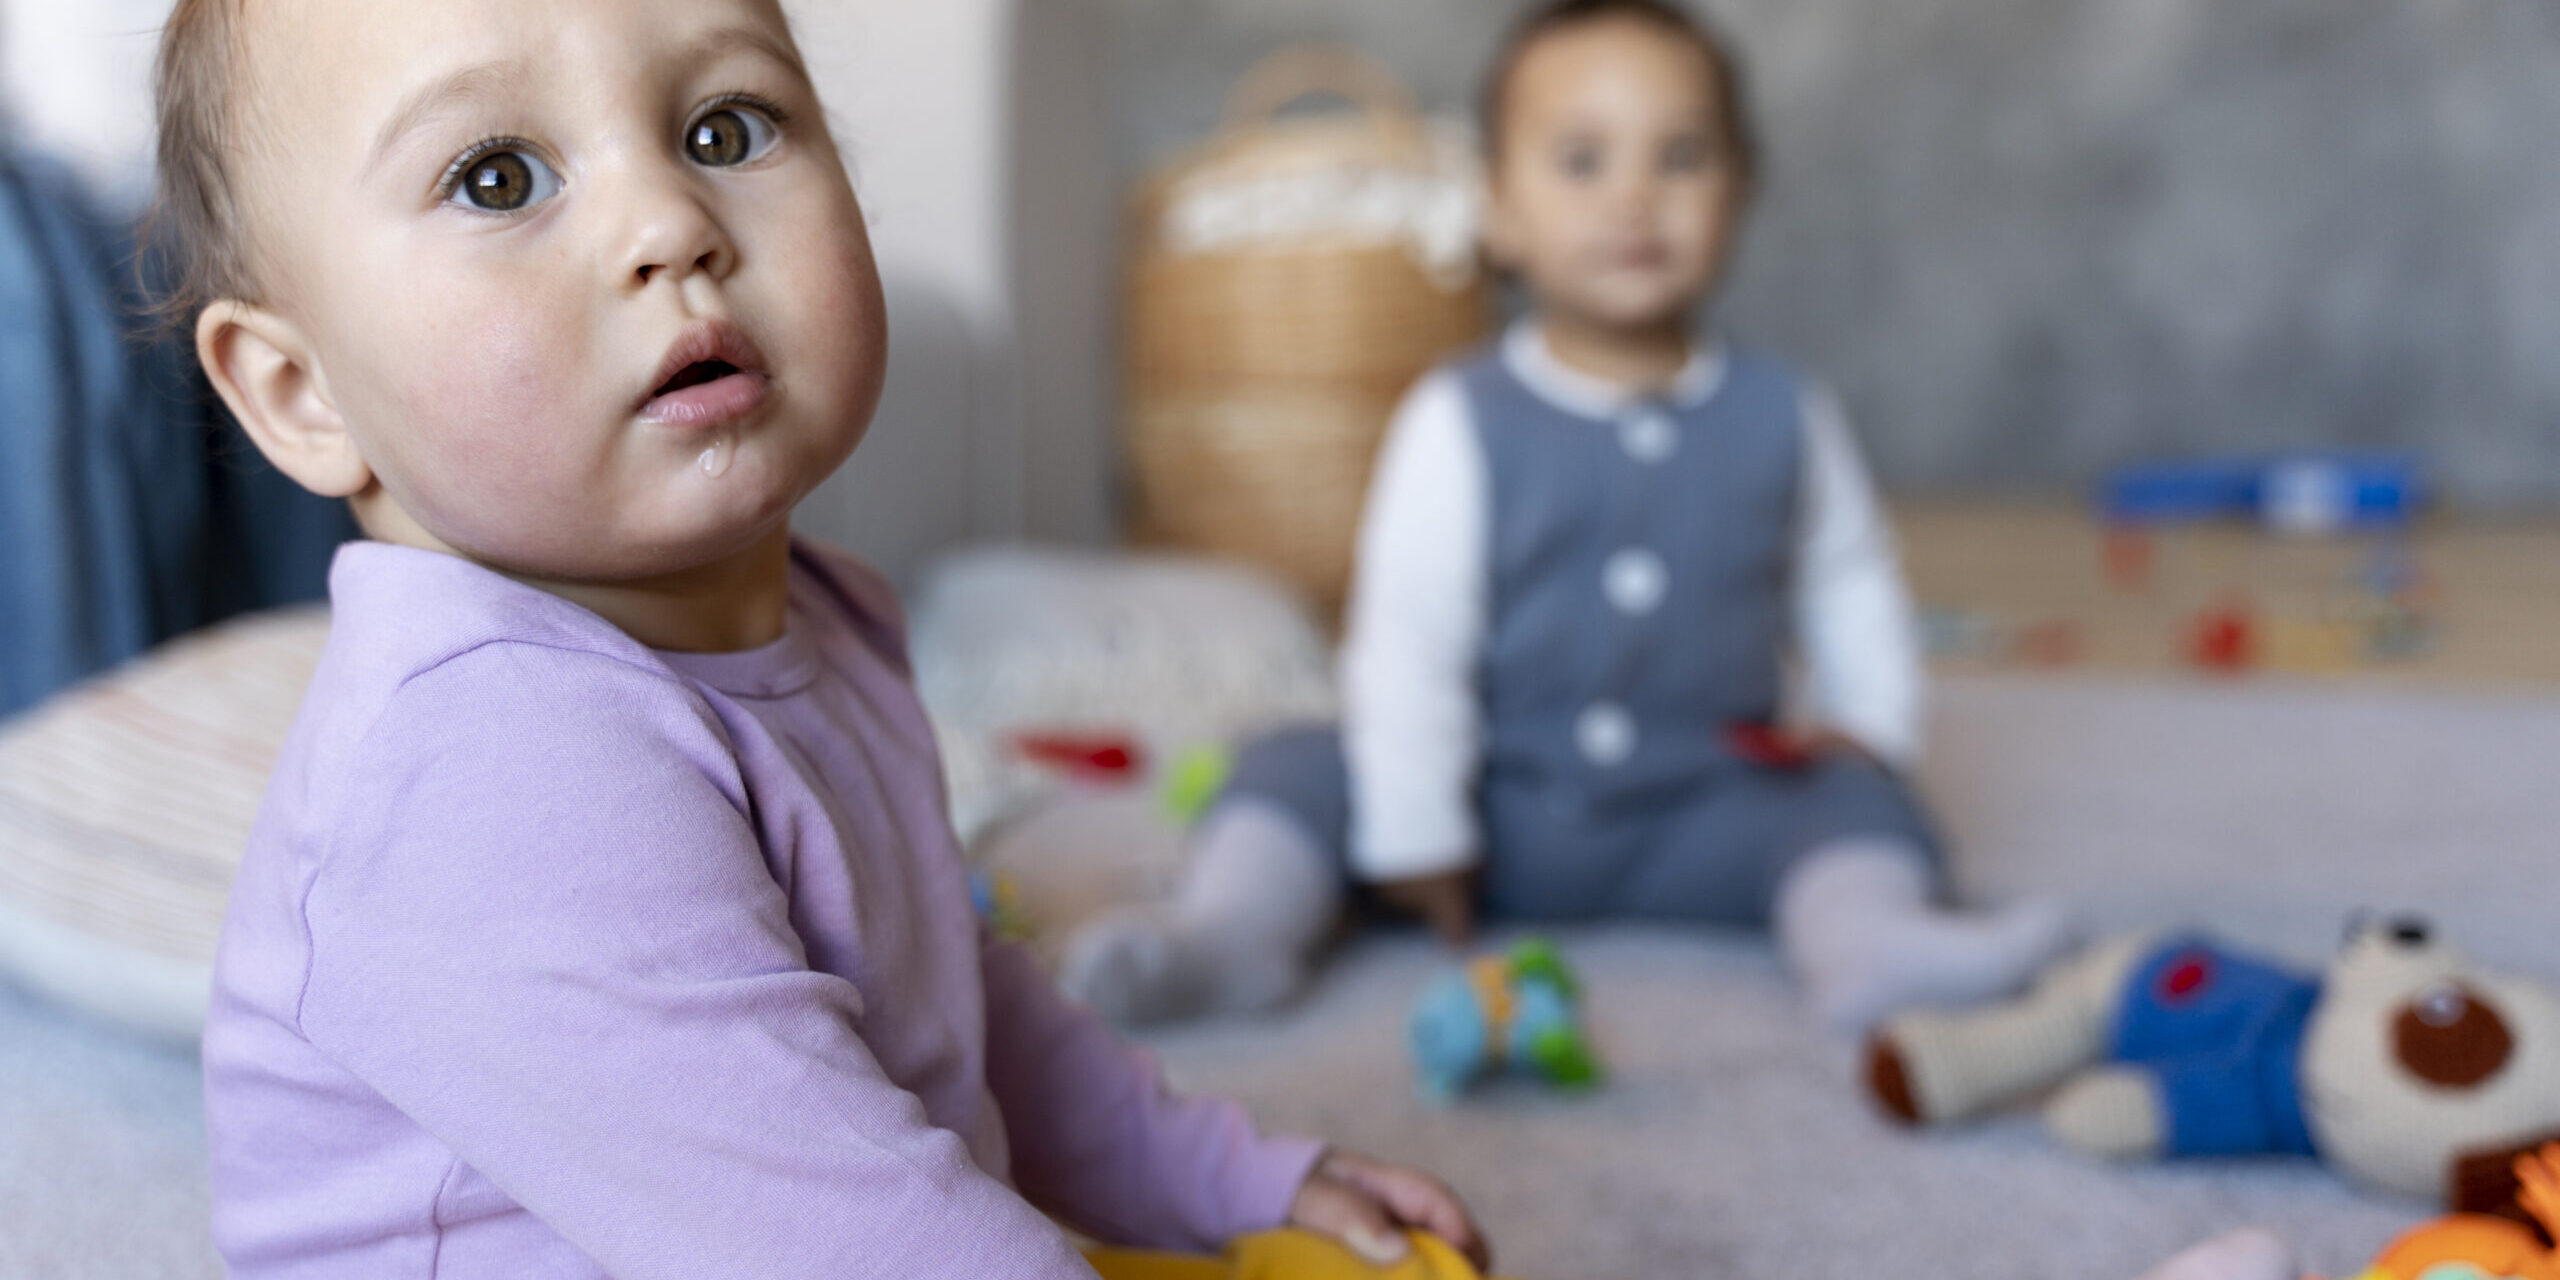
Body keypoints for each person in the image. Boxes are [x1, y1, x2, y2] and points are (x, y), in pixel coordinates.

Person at [164, 0, 1484, 1275]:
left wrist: (1212, 1179)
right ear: (302, 394)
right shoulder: (484, 768)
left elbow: (940, 1005)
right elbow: (843, 1236)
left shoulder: (827, 619)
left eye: (725, 130)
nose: (670, 223)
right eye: (499, 178)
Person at [1061, 0, 2072, 1036]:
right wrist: (1419, 829)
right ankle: (1231, 936)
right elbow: (1410, 638)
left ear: (1741, 189)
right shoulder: (1459, 417)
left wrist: (1869, 720)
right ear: (1498, 208)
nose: (1633, 197)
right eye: (1582, 161)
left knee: (1864, 804)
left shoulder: (1783, 409)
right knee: (1294, 766)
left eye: (1680, 157)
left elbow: (1847, 577)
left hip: (1704, 802)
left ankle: (1868, 942)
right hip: (1496, 799)